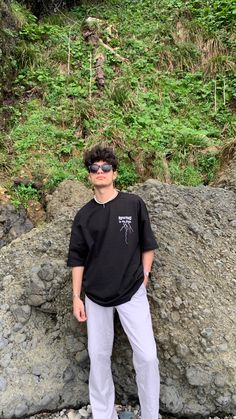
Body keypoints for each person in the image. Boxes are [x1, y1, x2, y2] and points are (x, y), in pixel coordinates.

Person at [67, 145, 160, 419]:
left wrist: (145, 275)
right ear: (89, 175)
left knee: (147, 356)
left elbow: (148, 244)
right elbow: (77, 258)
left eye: (105, 167)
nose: (100, 172)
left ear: (114, 173)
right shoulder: (83, 215)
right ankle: (103, 414)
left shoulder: (133, 204)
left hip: (132, 291)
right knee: (98, 357)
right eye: (94, 168)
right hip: (95, 295)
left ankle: (151, 414)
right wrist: (76, 297)